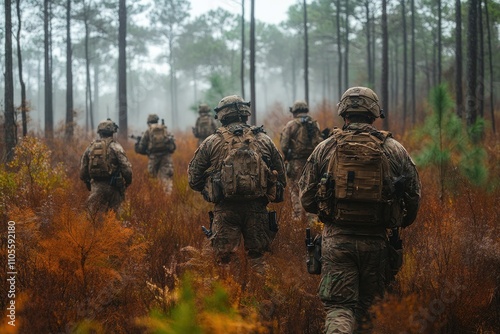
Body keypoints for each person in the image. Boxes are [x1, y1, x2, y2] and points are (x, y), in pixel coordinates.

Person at [299, 87, 421, 333]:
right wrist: (399, 221)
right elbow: (414, 196)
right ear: (374, 113)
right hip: (376, 242)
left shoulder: (325, 148)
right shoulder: (394, 149)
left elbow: (306, 198)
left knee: (339, 307)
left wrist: (329, 211)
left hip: (336, 241)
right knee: (369, 309)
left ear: (344, 112)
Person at [188, 95, 286, 272]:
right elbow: (282, 178)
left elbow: (193, 179)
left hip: (225, 209)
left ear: (222, 116)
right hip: (257, 208)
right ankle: (261, 295)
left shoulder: (212, 141)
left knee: (225, 260)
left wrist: (212, 187)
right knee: (259, 258)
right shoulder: (263, 139)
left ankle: (232, 297)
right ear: (245, 114)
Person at [280, 100, 322, 221]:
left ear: (294, 111)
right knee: (311, 190)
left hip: (296, 163)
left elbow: (284, 145)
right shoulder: (314, 124)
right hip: (312, 163)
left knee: (295, 191)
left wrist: (288, 154)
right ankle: (313, 222)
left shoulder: (291, 125)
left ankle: (297, 222)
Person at [80, 118, 132, 214]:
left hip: (96, 187)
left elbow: (83, 170)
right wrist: (127, 182)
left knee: (94, 217)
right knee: (115, 218)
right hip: (114, 188)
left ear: (99, 132)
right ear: (113, 132)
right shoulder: (116, 147)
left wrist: (88, 182)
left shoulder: (90, 147)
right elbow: (126, 168)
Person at [136, 114, 176, 194]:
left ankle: (154, 196)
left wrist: (138, 144)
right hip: (166, 156)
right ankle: (167, 197)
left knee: (152, 177)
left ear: (148, 122)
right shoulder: (164, 129)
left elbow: (141, 147)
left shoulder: (148, 130)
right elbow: (173, 145)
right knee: (166, 177)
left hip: (153, 157)